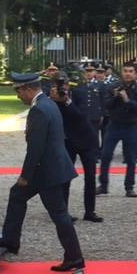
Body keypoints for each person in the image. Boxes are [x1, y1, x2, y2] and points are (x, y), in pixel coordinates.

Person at [0, 72, 84, 272]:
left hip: (46, 171)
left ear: (28, 89)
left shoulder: (39, 110)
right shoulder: (48, 104)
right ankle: (10, 239)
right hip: (52, 167)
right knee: (17, 196)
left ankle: (74, 256)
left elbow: (36, 148)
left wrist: (26, 175)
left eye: (19, 91)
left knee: (58, 214)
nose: (18, 96)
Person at [51, 72, 103, 223]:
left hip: (86, 139)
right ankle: (63, 212)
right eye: (58, 86)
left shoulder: (81, 94)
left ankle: (90, 211)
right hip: (67, 141)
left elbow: (81, 116)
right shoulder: (50, 100)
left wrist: (66, 101)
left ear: (69, 85)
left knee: (90, 177)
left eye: (64, 85)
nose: (62, 88)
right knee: (65, 177)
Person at [97, 61, 137, 197]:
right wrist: (114, 96)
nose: (128, 74)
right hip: (114, 125)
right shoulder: (114, 86)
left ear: (136, 74)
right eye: (125, 71)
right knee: (105, 155)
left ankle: (129, 187)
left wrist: (127, 100)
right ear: (122, 72)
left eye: (131, 71)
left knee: (130, 158)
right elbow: (106, 105)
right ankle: (103, 185)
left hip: (131, 126)